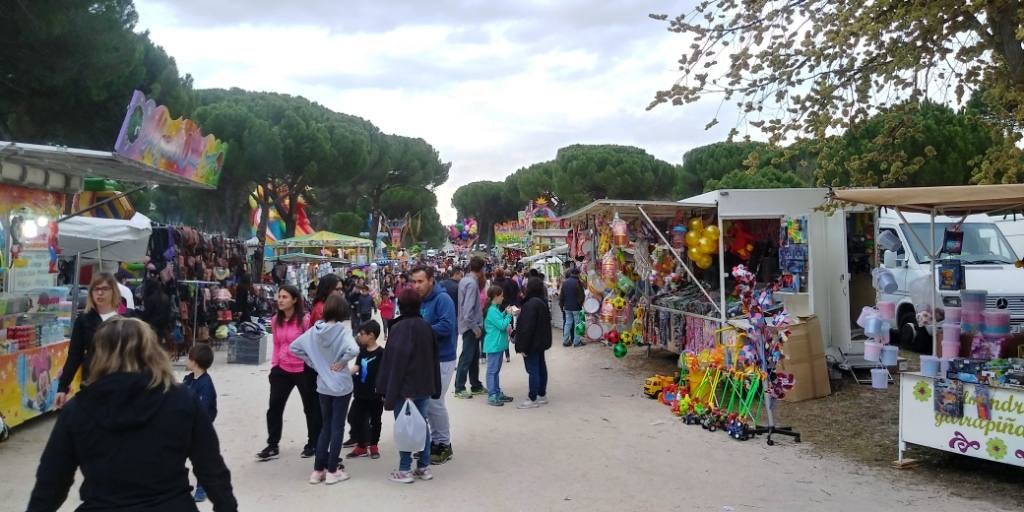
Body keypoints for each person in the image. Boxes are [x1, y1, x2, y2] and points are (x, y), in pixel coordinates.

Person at [27, 318, 237, 512]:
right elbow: (212, 470)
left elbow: (51, 484)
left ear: (98, 355)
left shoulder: (78, 409)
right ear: (152, 352)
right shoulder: (182, 400)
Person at [289, 294, 360, 485]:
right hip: (342, 385)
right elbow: (354, 350)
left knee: (325, 428)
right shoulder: (342, 330)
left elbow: (294, 348)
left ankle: (317, 470)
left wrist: (314, 363)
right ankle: (332, 471)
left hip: (323, 386)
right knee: (337, 428)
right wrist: (342, 362)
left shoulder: (314, 330)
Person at [375, 288, 441, 484]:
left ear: (401, 306)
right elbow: (433, 358)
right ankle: (424, 466)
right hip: (424, 385)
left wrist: (388, 390)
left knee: (404, 426)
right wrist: (434, 385)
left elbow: (395, 362)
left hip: (404, 388)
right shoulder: (426, 327)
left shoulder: (398, 329)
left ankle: (405, 468)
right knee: (422, 425)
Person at [256, 285, 322, 462]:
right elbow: (277, 345)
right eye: (279, 297)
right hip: (282, 369)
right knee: (274, 407)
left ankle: (313, 443)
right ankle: (272, 445)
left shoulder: (305, 320)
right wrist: (274, 367)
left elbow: (312, 345)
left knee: (310, 408)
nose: (280, 300)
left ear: (294, 300)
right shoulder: (276, 320)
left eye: (284, 297)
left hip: (303, 369)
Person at [410, 266, 458, 465]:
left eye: (420, 281)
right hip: (426, 359)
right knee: (427, 403)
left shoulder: (443, 299)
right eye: (414, 282)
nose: (416, 286)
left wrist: (421, 329)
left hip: (443, 359)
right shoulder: (420, 301)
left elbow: (447, 326)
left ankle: (444, 445)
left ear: (431, 280)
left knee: (435, 401)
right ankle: (433, 441)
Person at [55, 273, 122, 409]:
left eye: (104, 289)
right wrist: (62, 387)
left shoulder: (125, 318)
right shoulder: (84, 320)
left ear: (113, 290)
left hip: (120, 381)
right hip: (92, 381)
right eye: (95, 289)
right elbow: (75, 356)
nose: (100, 293)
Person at [344, 320, 385, 459]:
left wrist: (384, 393)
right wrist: (343, 373)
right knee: (356, 418)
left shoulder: (381, 353)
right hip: (360, 393)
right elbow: (356, 368)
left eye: (362, 334)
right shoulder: (361, 352)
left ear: (371, 336)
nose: (359, 337)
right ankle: (361, 446)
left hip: (375, 395)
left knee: (375, 420)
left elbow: (385, 374)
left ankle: (373, 446)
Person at [184, 344, 218, 502]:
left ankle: (202, 487)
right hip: (184, 428)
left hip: (200, 429)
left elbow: (203, 411)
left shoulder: (206, 384)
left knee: (200, 460)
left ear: (195, 361)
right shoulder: (188, 379)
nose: (186, 360)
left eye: (188, 357)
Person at [514, 277, 553, 409]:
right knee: (541, 367)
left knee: (533, 370)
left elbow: (527, 328)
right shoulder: (541, 302)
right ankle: (542, 394)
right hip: (540, 342)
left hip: (532, 343)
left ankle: (533, 397)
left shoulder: (530, 304)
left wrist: (522, 346)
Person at [453, 257, 487, 399]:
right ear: (481, 270)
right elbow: (467, 310)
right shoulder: (472, 284)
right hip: (471, 326)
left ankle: (475, 384)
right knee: (467, 356)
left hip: (468, 324)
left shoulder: (464, 280)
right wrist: (475, 327)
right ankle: (459, 387)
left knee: (473, 356)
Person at [483, 285, 516, 406]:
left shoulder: (494, 309)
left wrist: (504, 312)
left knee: (495, 370)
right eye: (501, 296)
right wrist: (508, 315)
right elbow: (502, 325)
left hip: (496, 344)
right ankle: (492, 394)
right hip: (494, 345)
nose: (503, 298)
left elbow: (498, 321)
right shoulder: (492, 310)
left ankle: (496, 392)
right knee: (492, 371)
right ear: (496, 296)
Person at [559, 268, 585, 347]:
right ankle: (576, 342)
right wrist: (580, 305)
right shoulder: (578, 282)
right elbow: (581, 296)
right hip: (576, 307)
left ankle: (566, 341)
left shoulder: (565, 283)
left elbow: (561, 296)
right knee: (577, 324)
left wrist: (561, 306)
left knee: (568, 324)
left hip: (567, 307)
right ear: (578, 274)